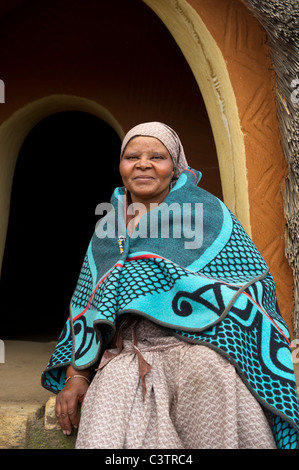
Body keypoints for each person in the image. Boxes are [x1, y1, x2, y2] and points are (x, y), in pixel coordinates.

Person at [42, 122, 299, 449]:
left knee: (213, 398)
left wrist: (225, 339)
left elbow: (250, 287)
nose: (143, 164)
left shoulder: (208, 214)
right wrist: (76, 376)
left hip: (201, 348)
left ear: (174, 167)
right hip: (130, 353)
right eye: (132, 156)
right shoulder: (109, 228)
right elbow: (89, 305)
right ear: (121, 166)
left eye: (157, 157)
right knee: (104, 417)